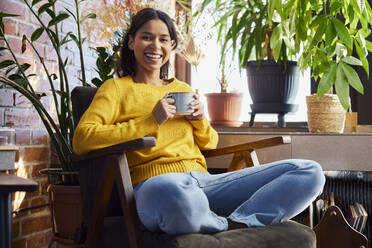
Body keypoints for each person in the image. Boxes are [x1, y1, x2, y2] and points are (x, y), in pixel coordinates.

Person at [72, 8, 325, 235]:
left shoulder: (182, 88)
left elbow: (210, 143)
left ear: (171, 46)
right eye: (146, 37)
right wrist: (151, 121)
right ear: (131, 42)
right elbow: (83, 138)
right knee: (170, 195)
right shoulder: (116, 88)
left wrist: (200, 118)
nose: (155, 46)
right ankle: (219, 222)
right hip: (157, 186)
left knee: (309, 172)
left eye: (163, 40)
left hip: (206, 183)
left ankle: (239, 222)